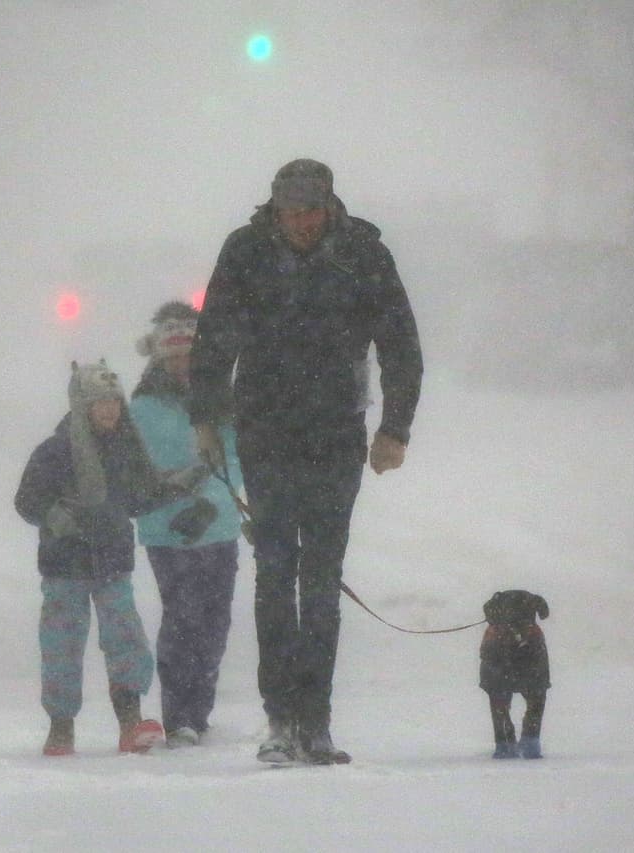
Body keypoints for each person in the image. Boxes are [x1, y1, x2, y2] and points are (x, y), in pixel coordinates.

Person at [189, 158, 423, 765]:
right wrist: (205, 419)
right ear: (275, 208)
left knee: (320, 579)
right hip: (264, 433)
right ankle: (280, 720)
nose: (301, 224)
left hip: (336, 434)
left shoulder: (363, 253)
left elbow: (401, 344)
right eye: (291, 213)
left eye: (311, 212)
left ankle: (315, 721)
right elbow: (214, 336)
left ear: (329, 206)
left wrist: (394, 428)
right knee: (273, 574)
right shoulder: (245, 251)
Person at [15, 360, 208, 756]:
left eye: (114, 402)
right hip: (63, 567)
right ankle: (61, 727)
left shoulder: (126, 450)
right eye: (99, 402)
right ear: (82, 405)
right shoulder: (54, 451)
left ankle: (130, 721)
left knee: (126, 640)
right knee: (62, 645)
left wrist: (184, 482)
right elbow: (27, 500)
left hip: (112, 564)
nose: (109, 410)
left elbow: (141, 497)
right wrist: (55, 516)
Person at [129, 301, 243, 748]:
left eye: (187, 355)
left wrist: (212, 503)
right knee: (182, 618)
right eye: (172, 355)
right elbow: (137, 471)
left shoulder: (221, 400)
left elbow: (235, 457)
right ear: (158, 356)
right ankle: (179, 716)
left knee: (215, 623)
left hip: (220, 528)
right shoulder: (139, 409)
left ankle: (200, 710)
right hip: (167, 534)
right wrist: (173, 504)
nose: (181, 364)